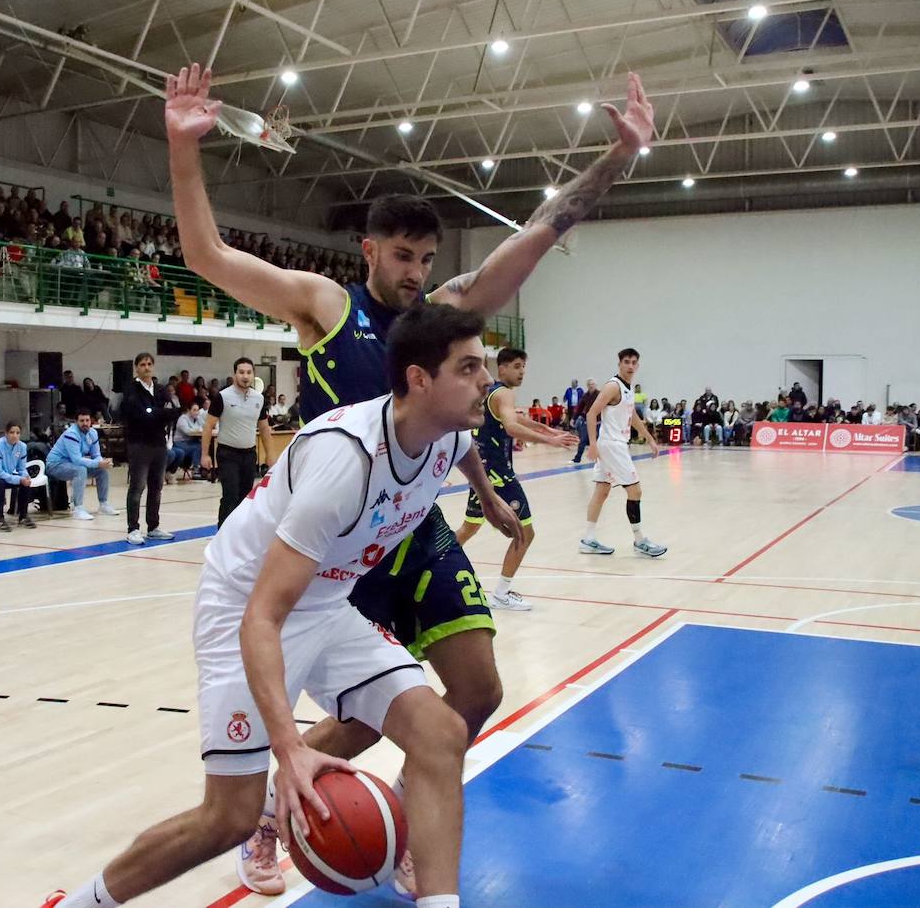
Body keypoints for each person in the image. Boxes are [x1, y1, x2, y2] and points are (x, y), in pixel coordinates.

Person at [164, 61, 652, 897]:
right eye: (401, 255)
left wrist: (616, 162)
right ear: (368, 250)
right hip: (331, 541)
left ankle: (394, 816)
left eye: (427, 257)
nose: (416, 271)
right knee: (362, 706)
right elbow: (204, 253)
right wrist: (183, 148)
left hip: (412, 525)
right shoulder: (323, 303)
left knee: (477, 688)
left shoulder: (446, 316)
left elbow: (533, 238)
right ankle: (281, 813)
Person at [38, 302, 487, 908]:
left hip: (326, 603)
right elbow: (263, 616)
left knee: (441, 733)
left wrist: (489, 497)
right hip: (245, 604)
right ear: (418, 379)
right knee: (228, 817)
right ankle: (79, 904)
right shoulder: (344, 463)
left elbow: (462, 453)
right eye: (469, 368)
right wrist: (290, 746)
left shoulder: (450, 431)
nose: (486, 380)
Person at [455, 348, 578, 610]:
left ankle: (425, 571)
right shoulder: (505, 393)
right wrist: (550, 440)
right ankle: (501, 593)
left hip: (481, 473)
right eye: (517, 366)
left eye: (524, 366)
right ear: (502, 368)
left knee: (469, 528)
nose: (522, 371)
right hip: (500, 476)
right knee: (525, 533)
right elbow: (511, 426)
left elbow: (512, 417)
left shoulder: (492, 392)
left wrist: (544, 427)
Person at [579, 348, 667, 558]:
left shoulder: (629, 389)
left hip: (613, 444)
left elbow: (632, 415)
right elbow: (591, 413)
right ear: (619, 364)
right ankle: (639, 540)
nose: (630, 365)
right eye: (626, 361)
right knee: (635, 492)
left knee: (601, 491)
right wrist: (592, 443)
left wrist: (649, 438)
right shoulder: (613, 386)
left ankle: (588, 540)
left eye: (633, 362)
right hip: (612, 445)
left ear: (637, 365)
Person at [202, 357, 274, 526]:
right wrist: (205, 454)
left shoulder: (259, 398)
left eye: (249, 372)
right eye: (241, 372)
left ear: (253, 375)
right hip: (228, 453)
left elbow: (264, 429)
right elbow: (208, 427)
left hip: (249, 454)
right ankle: (223, 534)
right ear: (235, 374)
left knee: (245, 496)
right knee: (230, 495)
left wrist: (270, 455)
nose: (245, 376)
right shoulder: (223, 396)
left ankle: (240, 534)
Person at [118, 352, 180, 546]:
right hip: (139, 444)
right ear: (137, 368)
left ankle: (153, 526)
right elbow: (138, 415)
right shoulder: (131, 390)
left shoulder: (161, 389)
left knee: (157, 486)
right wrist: (159, 413)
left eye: (149, 364)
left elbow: (174, 410)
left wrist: (156, 413)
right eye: (142, 364)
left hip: (159, 444)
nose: (146, 367)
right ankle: (133, 528)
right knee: (137, 486)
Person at [46, 409, 116, 520]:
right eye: (81, 421)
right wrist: (98, 463)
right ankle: (78, 508)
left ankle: (103, 504)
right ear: (76, 422)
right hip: (55, 465)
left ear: (91, 421)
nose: (85, 423)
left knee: (102, 470)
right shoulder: (71, 434)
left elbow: (96, 454)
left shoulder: (93, 433)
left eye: (87, 420)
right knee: (80, 470)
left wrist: (102, 462)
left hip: (71, 464)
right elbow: (77, 460)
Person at [571, 379, 600, 463]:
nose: (591, 385)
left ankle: (600, 459)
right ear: (587, 386)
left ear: (595, 385)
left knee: (599, 441)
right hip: (588, 422)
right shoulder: (585, 395)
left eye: (592, 384)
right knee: (583, 440)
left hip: (599, 422)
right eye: (589, 384)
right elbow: (580, 407)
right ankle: (577, 458)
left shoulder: (600, 394)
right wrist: (574, 418)